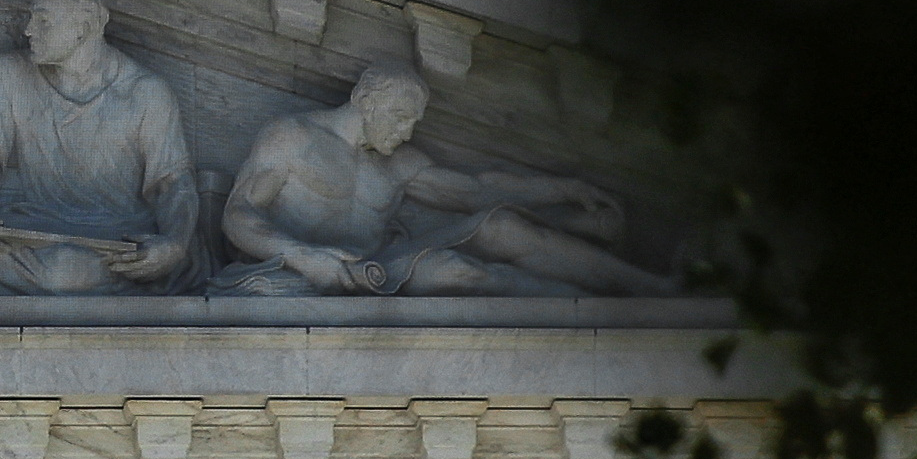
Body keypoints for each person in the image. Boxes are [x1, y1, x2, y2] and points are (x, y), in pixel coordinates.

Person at [212, 63, 672, 294]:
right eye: (398, 117)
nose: (407, 131)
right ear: (364, 99)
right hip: (308, 270)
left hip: (382, 266)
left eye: (413, 121)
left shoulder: (397, 162)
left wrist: (565, 188)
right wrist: (305, 258)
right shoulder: (292, 137)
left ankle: (649, 291)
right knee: (463, 272)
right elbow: (239, 215)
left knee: (502, 227)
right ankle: (586, 321)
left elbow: (479, 189)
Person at [0, 0, 196, 293]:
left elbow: (173, 183)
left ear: (82, 29)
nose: (29, 30)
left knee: (65, 272)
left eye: (43, 21)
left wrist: (174, 245)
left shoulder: (146, 94)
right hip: (33, 233)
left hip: (114, 242)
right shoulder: (10, 74)